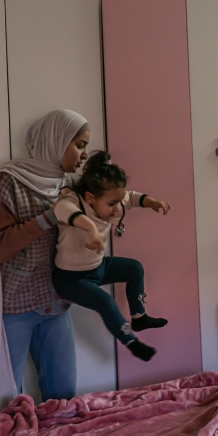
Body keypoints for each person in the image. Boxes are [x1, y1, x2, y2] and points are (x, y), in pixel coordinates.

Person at [0, 109, 89, 415]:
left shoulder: (67, 187)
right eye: (79, 144)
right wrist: (49, 217)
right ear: (56, 141)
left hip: (56, 302)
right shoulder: (7, 180)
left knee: (63, 398)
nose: (84, 154)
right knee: (4, 402)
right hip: (13, 305)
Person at [52, 151, 170, 361]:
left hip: (98, 267)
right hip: (71, 278)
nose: (117, 209)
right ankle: (131, 342)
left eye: (118, 202)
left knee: (135, 268)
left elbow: (131, 197)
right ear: (90, 197)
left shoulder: (112, 199)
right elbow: (61, 209)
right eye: (112, 204)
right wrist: (90, 229)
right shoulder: (75, 201)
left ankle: (139, 316)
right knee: (106, 303)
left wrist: (151, 202)